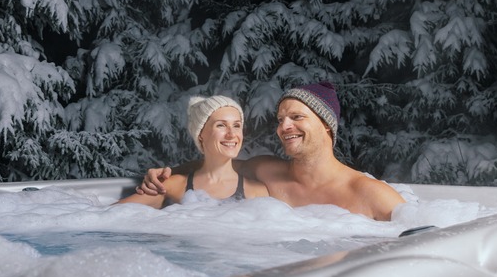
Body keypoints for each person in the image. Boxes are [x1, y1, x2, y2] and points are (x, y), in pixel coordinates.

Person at [137, 81, 405, 221]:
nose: (284, 127)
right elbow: (214, 167)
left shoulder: (369, 193)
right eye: (280, 120)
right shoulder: (265, 171)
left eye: (296, 117)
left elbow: (419, 244)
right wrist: (166, 173)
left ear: (325, 125)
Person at [118, 95, 269, 208]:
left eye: (236, 125)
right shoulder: (173, 186)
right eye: (221, 125)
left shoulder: (256, 191)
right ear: (200, 134)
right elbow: (108, 217)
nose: (231, 134)